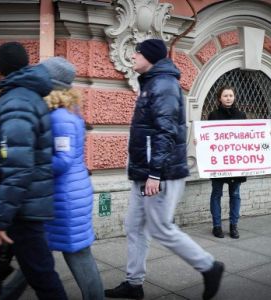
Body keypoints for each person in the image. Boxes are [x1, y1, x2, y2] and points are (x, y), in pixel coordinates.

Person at [104, 39, 224, 300]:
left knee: (160, 228)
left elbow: (165, 132)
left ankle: (209, 266)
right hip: (144, 172)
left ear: (150, 57)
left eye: (138, 52)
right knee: (134, 225)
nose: (133, 56)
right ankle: (134, 284)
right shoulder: (151, 83)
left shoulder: (164, 85)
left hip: (159, 174)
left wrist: (155, 174)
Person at [0, 57, 104, 300]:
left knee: (77, 256)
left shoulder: (60, 118)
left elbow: (64, 160)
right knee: (34, 254)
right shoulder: (62, 113)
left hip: (64, 198)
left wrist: (30, 163)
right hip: (59, 195)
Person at [0, 42, 67, 299]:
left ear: (1, 70)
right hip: (18, 208)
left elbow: (17, 167)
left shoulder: (16, 103)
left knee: (43, 278)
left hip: (20, 213)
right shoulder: (21, 98)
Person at [208, 85, 247, 239]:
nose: (228, 98)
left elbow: (249, 136)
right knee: (216, 194)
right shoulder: (213, 115)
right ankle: (217, 226)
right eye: (225, 95)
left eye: (230, 95)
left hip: (236, 164)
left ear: (234, 97)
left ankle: (233, 226)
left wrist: (264, 134)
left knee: (235, 194)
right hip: (219, 163)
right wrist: (200, 140)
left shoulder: (241, 115)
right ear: (220, 98)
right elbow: (208, 135)